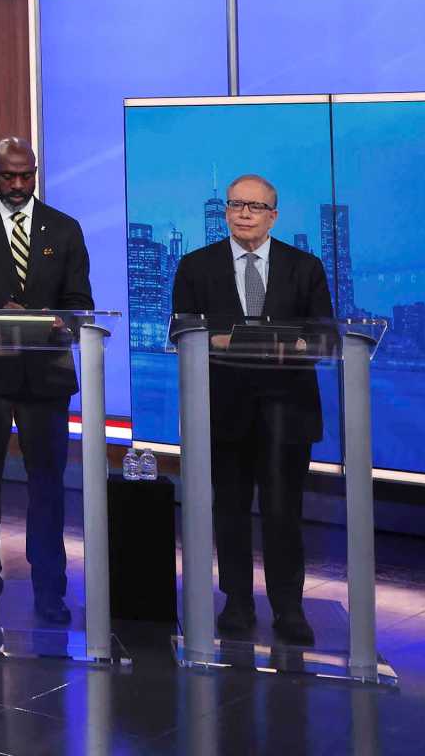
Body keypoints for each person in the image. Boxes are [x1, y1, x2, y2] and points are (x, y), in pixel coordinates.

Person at [171, 172, 335, 647]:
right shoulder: (195, 267)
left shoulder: (305, 267)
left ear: (273, 216)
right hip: (224, 409)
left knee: (284, 513)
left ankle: (289, 609)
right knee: (231, 512)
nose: (244, 213)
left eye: (255, 207)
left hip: (287, 412)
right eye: (236, 204)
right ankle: (237, 602)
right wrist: (222, 339)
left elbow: (324, 336)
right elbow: (183, 330)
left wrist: (291, 344)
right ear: (226, 211)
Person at [0, 135, 94, 628]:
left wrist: (56, 320)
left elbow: (80, 302)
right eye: (7, 176)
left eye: (25, 175)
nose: (17, 184)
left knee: (47, 487)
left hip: (46, 375)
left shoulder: (66, 229)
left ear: (35, 173)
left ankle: (51, 591)